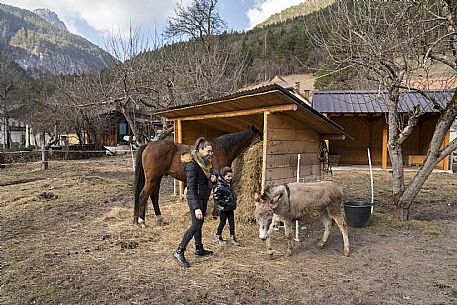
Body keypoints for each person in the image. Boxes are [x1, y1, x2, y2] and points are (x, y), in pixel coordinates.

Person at [172, 138, 218, 268]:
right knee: (196, 224)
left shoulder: (204, 164)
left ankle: (199, 249)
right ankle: (179, 251)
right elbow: (191, 188)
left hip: (202, 197)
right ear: (201, 149)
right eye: (209, 151)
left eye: (211, 151)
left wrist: (212, 179)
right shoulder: (192, 165)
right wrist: (196, 207)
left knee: (199, 223)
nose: (211, 154)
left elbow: (204, 182)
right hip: (195, 199)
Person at [214, 166, 240, 246]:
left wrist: (234, 199)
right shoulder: (220, 185)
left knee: (232, 222)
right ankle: (218, 237)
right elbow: (216, 196)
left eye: (231, 176)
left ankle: (232, 237)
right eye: (228, 176)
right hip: (224, 209)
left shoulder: (228, 184)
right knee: (223, 222)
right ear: (223, 176)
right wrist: (224, 203)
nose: (230, 178)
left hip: (230, 207)